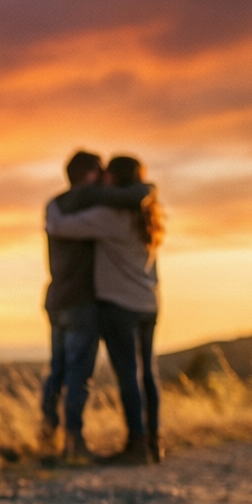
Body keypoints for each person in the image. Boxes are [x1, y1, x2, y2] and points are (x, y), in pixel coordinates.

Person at [45, 155, 164, 465]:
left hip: (120, 306)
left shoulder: (109, 217)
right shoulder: (148, 215)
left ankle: (135, 445)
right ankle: (153, 441)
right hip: (149, 303)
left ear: (115, 179)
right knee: (148, 374)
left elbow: (59, 227)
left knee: (128, 377)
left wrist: (53, 209)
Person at [40, 151, 104, 462]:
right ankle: (74, 441)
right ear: (90, 173)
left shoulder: (55, 205)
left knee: (58, 370)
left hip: (56, 296)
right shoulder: (95, 202)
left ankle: (47, 433)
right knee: (80, 374)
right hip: (82, 299)